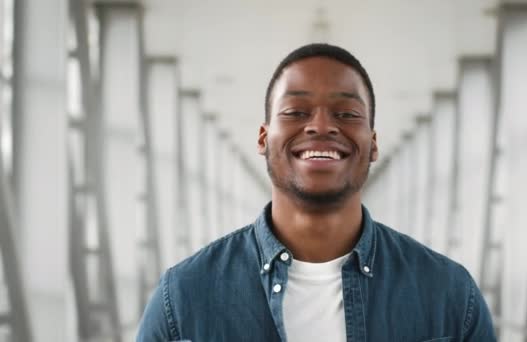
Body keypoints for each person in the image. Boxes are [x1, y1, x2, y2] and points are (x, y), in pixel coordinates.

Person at [136, 43, 496, 342]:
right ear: (263, 139)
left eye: (347, 113)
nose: (322, 125)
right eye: (295, 111)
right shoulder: (183, 298)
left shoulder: (448, 295)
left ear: (372, 145)